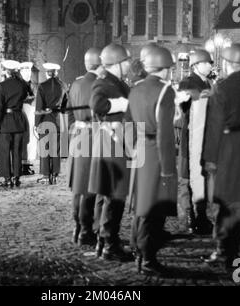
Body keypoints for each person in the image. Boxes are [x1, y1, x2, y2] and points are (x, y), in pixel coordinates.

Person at [201, 44, 240, 269]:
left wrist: (209, 157)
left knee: (224, 197)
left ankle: (224, 249)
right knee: (239, 197)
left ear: (227, 62)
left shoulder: (221, 88)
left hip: (225, 144)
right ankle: (235, 248)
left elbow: (214, 125)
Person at [129, 46, 178, 275]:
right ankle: (148, 258)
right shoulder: (165, 91)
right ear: (164, 68)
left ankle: (138, 250)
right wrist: (169, 168)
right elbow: (166, 134)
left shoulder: (136, 88)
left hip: (140, 150)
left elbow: (128, 123)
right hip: (156, 153)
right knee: (154, 208)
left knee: (141, 205)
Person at [88, 43, 133, 262]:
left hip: (116, 143)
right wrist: (121, 104)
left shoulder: (117, 83)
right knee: (114, 196)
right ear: (116, 63)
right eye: (126, 61)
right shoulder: (104, 83)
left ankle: (102, 240)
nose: (128, 64)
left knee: (109, 194)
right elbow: (97, 104)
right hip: (111, 143)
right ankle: (109, 244)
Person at [67, 48, 102, 247]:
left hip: (77, 136)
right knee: (90, 186)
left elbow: (70, 113)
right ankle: (87, 230)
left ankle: (78, 228)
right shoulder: (99, 85)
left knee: (77, 187)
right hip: (94, 136)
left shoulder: (76, 84)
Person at [177, 49, 214, 235]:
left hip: (205, 136)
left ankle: (201, 215)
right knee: (187, 178)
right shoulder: (188, 82)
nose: (210, 65)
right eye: (207, 62)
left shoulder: (207, 82)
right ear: (196, 65)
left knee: (202, 177)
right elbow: (184, 104)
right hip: (190, 136)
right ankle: (191, 217)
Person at [0, 60, 32, 188]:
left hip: (6, 120)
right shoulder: (22, 85)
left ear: (6, 71)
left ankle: (7, 178)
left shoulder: (1, 86)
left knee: (5, 151)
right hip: (19, 119)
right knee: (17, 151)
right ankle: (16, 177)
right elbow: (29, 96)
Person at [35, 63, 68, 185]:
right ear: (56, 73)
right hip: (58, 120)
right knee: (56, 150)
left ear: (47, 73)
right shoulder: (63, 85)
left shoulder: (42, 86)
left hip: (45, 119)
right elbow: (65, 106)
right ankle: (54, 174)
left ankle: (45, 174)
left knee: (45, 149)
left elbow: (39, 106)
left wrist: (37, 123)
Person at [19, 62, 37, 176]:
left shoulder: (34, 86)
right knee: (22, 138)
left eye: (29, 71)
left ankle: (28, 164)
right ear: (21, 72)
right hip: (21, 113)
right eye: (25, 71)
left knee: (32, 139)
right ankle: (20, 163)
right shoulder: (18, 85)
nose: (28, 73)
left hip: (32, 113)